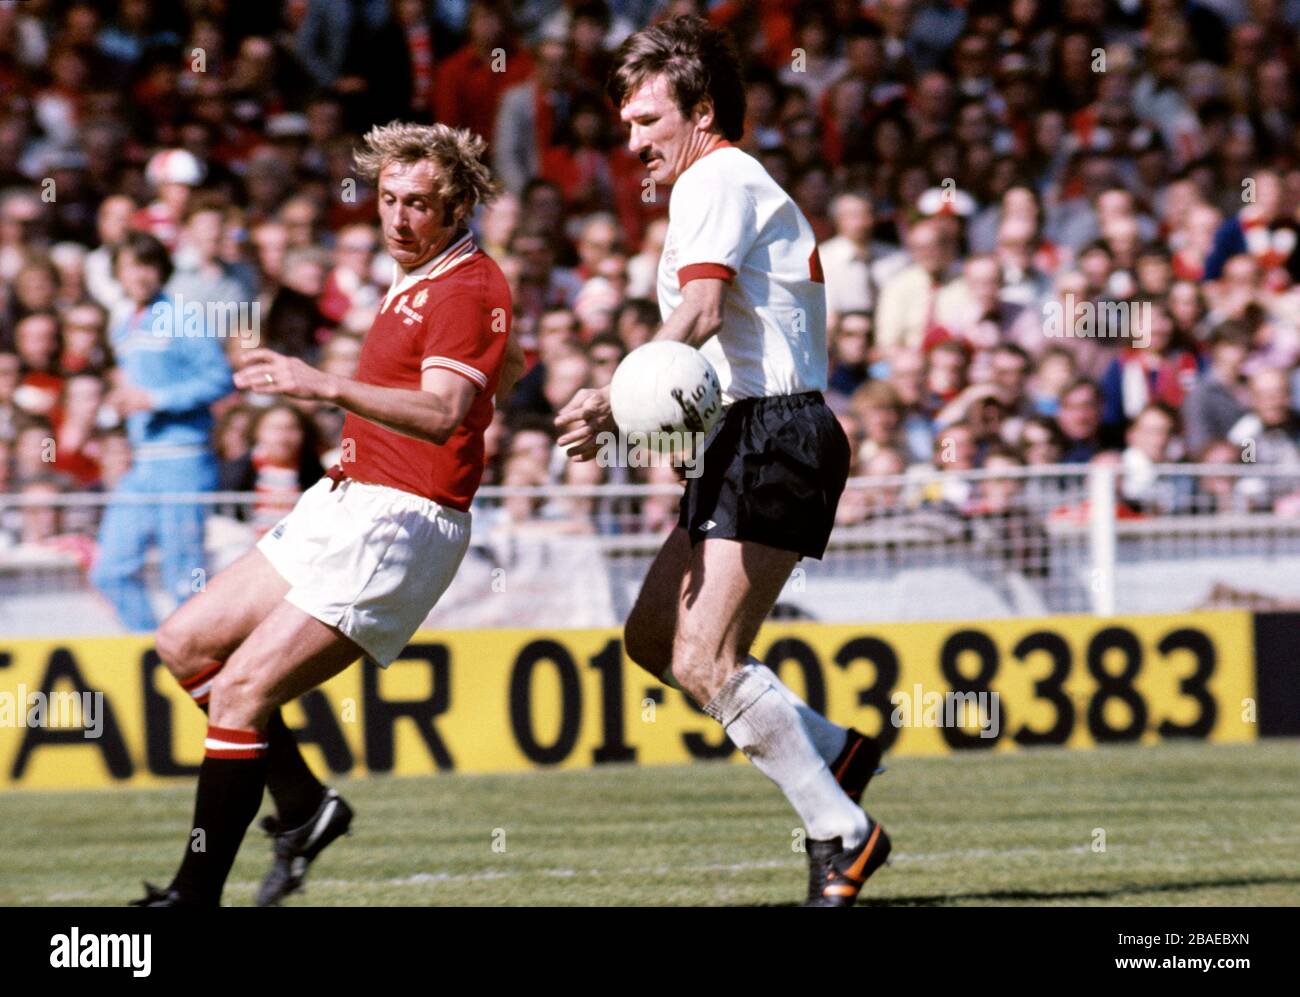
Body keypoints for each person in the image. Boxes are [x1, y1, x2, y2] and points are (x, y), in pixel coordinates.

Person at [133, 121, 525, 907]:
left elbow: (448, 408)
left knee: (243, 691)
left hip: (401, 522)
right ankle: (308, 806)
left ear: (457, 210)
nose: (398, 218)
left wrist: (330, 388)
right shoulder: (421, 274)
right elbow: (507, 366)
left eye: (419, 204)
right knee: (184, 645)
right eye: (387, 199)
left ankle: (193, 896)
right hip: (349, 498)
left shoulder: (466, 284)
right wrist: (391, 430)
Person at [555, 16, 889, 908]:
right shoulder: (716, 182)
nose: (633, 144)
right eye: (625, 126)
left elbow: (699, 313)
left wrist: (612, 393)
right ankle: (837, 751)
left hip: (774, 430)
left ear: (700, 112)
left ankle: (843, 831)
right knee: (654, 640)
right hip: (748, 432)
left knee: (706, 657)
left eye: (647, 123)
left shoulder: (717, 175)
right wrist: (648, 421)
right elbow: (710, 340)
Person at [90, 231, 233, 632]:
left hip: (183, 460)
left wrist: (156, 399)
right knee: (111, 571)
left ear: (161, 270)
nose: (139, 275)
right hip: (142, 464)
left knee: (184, 579)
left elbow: (220, 379)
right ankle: (154, 653)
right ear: (117, 273)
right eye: (130, 266)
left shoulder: (180, 315)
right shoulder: (124, 324)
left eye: (147, 265)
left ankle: (196, 668)